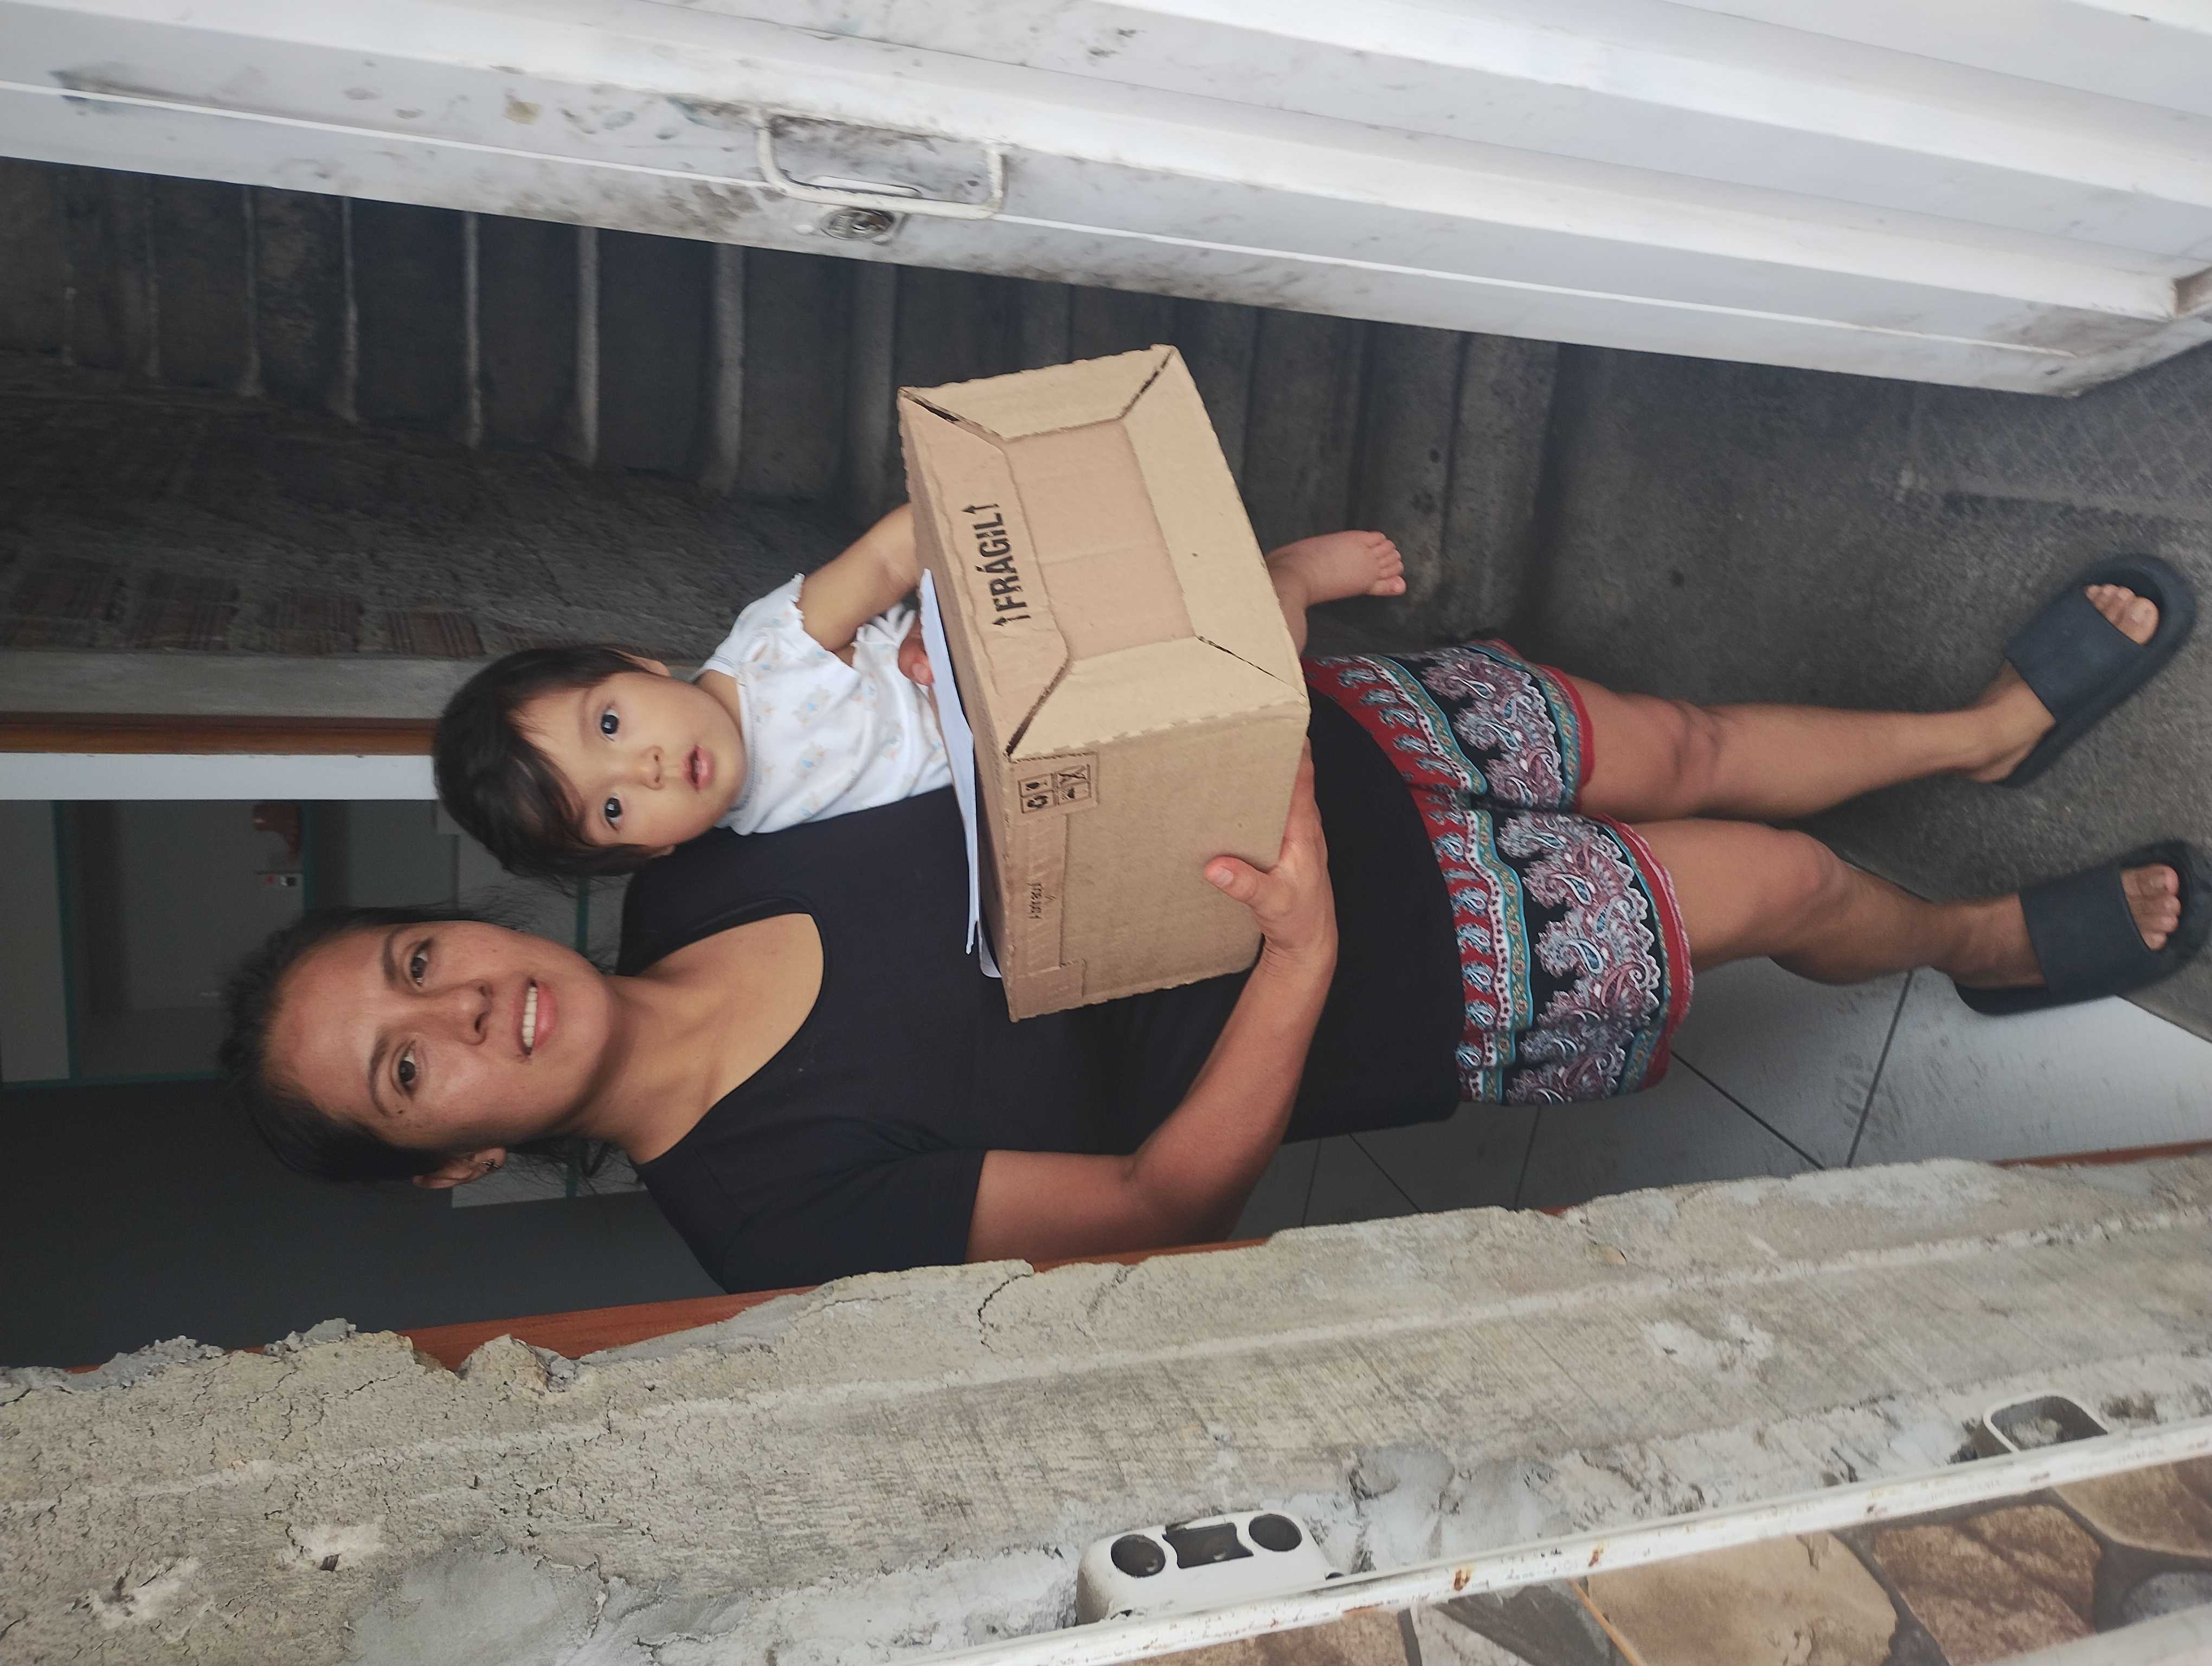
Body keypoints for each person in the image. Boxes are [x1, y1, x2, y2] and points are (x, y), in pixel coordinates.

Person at [222, 567, 2202, 1292]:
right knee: (1783, 888)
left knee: (1676, 736)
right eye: (410, 1072)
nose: (463, 1011)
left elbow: (932, 709)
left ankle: (1981, 732)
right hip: (1384, 975)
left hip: (1308, 747)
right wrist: (1305, 956)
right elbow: (1161, 1201)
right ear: (454, 1157)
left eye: (415, 968)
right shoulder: (765, 1208)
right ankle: (1969, 941)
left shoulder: (701, 859)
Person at [428, 503, 1406, 879]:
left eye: (608, 723)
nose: (641, 768)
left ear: (636, 662)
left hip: (1023, 661)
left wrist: (953, 617)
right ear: (648, 851)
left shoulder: (772, 652)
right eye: (611, 810)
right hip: (1045, 757)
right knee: (1229, 729)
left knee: (1249, 650)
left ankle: (1288, 576)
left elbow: (895, 551)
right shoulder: (758, 842)